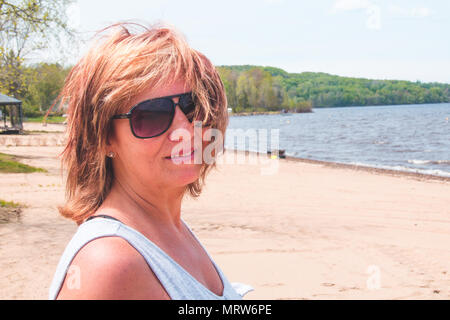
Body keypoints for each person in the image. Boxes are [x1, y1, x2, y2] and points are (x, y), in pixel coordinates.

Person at [48, 22, 252, 300]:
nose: (184, 130)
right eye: (151, 115)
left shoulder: (170, 230)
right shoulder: (108, 263)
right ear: (105, 137)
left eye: (193, 107)